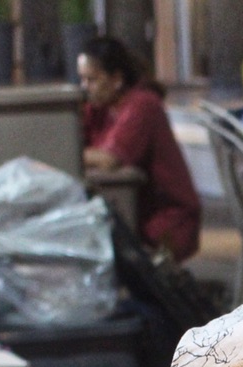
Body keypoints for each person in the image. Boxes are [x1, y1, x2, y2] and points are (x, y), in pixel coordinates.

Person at [78, 35, 201, 261]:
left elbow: (110, 158)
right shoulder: (102, 108)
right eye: (82, 80)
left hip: (166, 223)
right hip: (137, 215)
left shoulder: (142, 105)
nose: (85, 88)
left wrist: (67, 153)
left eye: (92, 80)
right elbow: (76, 135)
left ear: (116, 79)